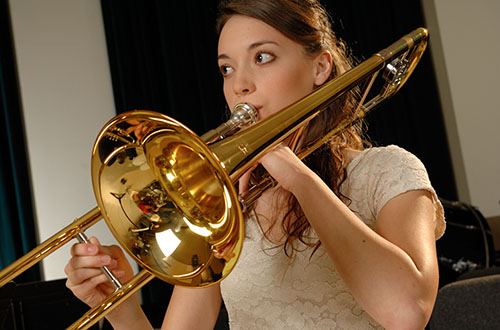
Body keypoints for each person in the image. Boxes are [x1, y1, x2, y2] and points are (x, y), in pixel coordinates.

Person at [64, 0, 446, 329]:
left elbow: (408, 313)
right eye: (227, 69)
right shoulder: (221, 204)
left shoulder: (389, 171)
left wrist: (300, 179)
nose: (239, 85)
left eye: (262, 57)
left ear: (320, 68)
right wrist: (122, 312)